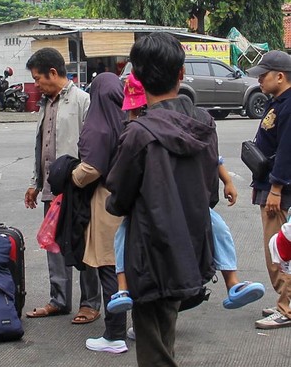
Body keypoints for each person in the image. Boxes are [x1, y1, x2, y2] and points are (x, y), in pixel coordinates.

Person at [106, 32, 216, 367]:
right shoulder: (203, 123)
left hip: (152, 255)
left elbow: (117, 199)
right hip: (191, 248)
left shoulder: (138, 134)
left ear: (135, 78)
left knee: (156, 361)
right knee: (160, 345)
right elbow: (210, 193)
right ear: (181, 73)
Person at [110, 74, 264, 316]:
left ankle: (232, 281)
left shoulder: (151, 130)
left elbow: (214, 160)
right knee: (123, 236)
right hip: (172, 206)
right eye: (133, 112)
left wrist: (227, 181)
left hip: (175, 207)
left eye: (138, 110)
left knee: (219, 228)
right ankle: (122, 288)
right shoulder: (151, 129)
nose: (135, 115)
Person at [24, 47, 101, 322]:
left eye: (38, 78)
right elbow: (41, 146)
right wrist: (35, 182)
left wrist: (81, 178)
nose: (36, 84)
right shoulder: (45, 103)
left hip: (78, 187)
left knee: (83, 244)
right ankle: (59, 299)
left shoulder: (83, 101)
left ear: (53, 73)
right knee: (53, 244)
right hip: (51, 188)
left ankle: (90, 303)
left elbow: (92, 146)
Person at [69, 73, 128, 353]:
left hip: (107, 202)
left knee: (109, 267)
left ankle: (114, 335)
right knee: (131, 268)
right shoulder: (129, 118)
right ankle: (140, 327)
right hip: (132, 201)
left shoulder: (98, 124)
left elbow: (91, 168)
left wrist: (72, 177)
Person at [245, 51, 291, 329]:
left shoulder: (288, 105)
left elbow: (286, 151)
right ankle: (284, 301)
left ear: (280, 76)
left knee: (278, 249)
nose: (259, 80)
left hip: (278, 187)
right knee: (277, 247)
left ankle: (287, 308)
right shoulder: (278, 102)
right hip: (270, 183)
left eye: (264, 75)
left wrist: (275, 188)